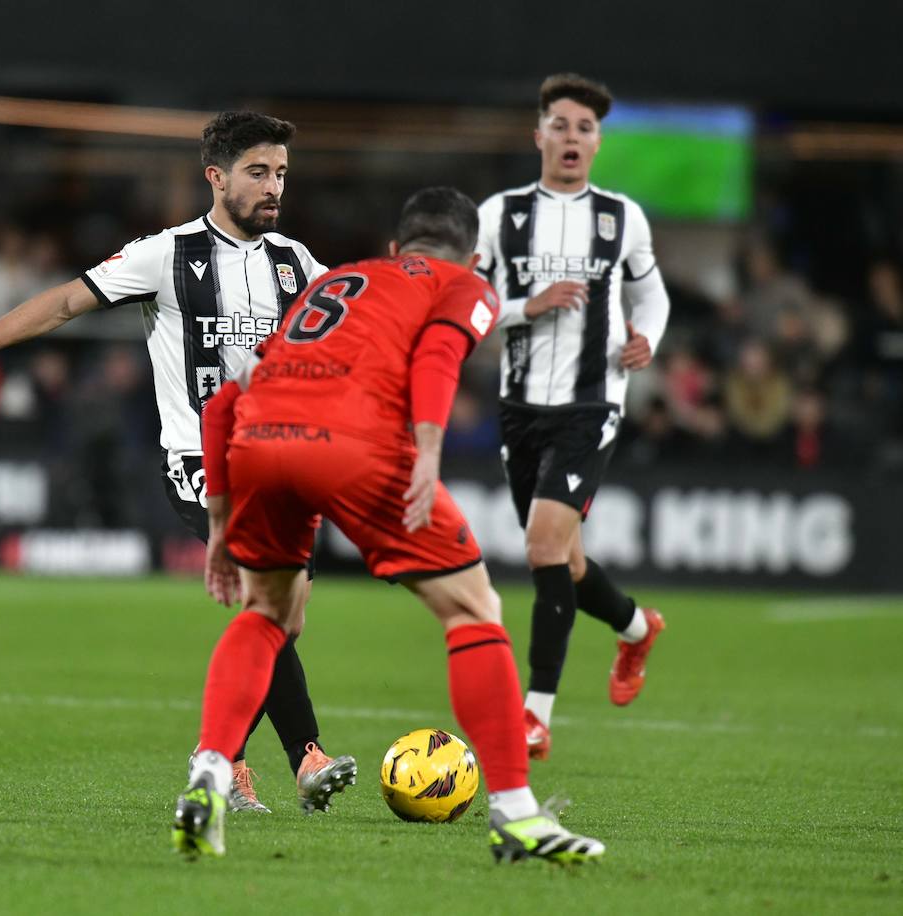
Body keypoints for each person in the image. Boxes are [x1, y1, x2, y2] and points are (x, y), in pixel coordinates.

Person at [0, 111, 355, 814]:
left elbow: (356, 329)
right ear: (216, 177)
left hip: (286, 462)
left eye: (282, 175)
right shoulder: (166, 255)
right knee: (268, 602)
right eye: (259, 173)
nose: (275, 187)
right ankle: (302, 758)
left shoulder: (297, 264)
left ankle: (228, 753)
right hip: (200, 461)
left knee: (281, 619)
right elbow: (61, 304)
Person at [175, 187, 605, 863]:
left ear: (396, 250)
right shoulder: (465, 283)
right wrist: (429, 453)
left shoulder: (341, 280)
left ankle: (209, 770)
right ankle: (517, 817)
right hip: (355, 443)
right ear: (475, 254)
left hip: (256, 438)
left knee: (266, 611)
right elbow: (437, 358)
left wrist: (222, 527)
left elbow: (225, 402)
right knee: (474, 610)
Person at [474, 73, 670, 759]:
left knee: (541, 549)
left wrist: (648, 339)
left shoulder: (622, 217)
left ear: (597, 142)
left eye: (584, 128)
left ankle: (535, 713)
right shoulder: (500, 215)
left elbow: (653, 297)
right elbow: (466, 305)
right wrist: (528, 305)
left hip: (593, 403)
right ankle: (638, 630)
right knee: (567, 560)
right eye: (560, 124)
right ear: (538, 135)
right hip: (521, 406)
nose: (571, 137)